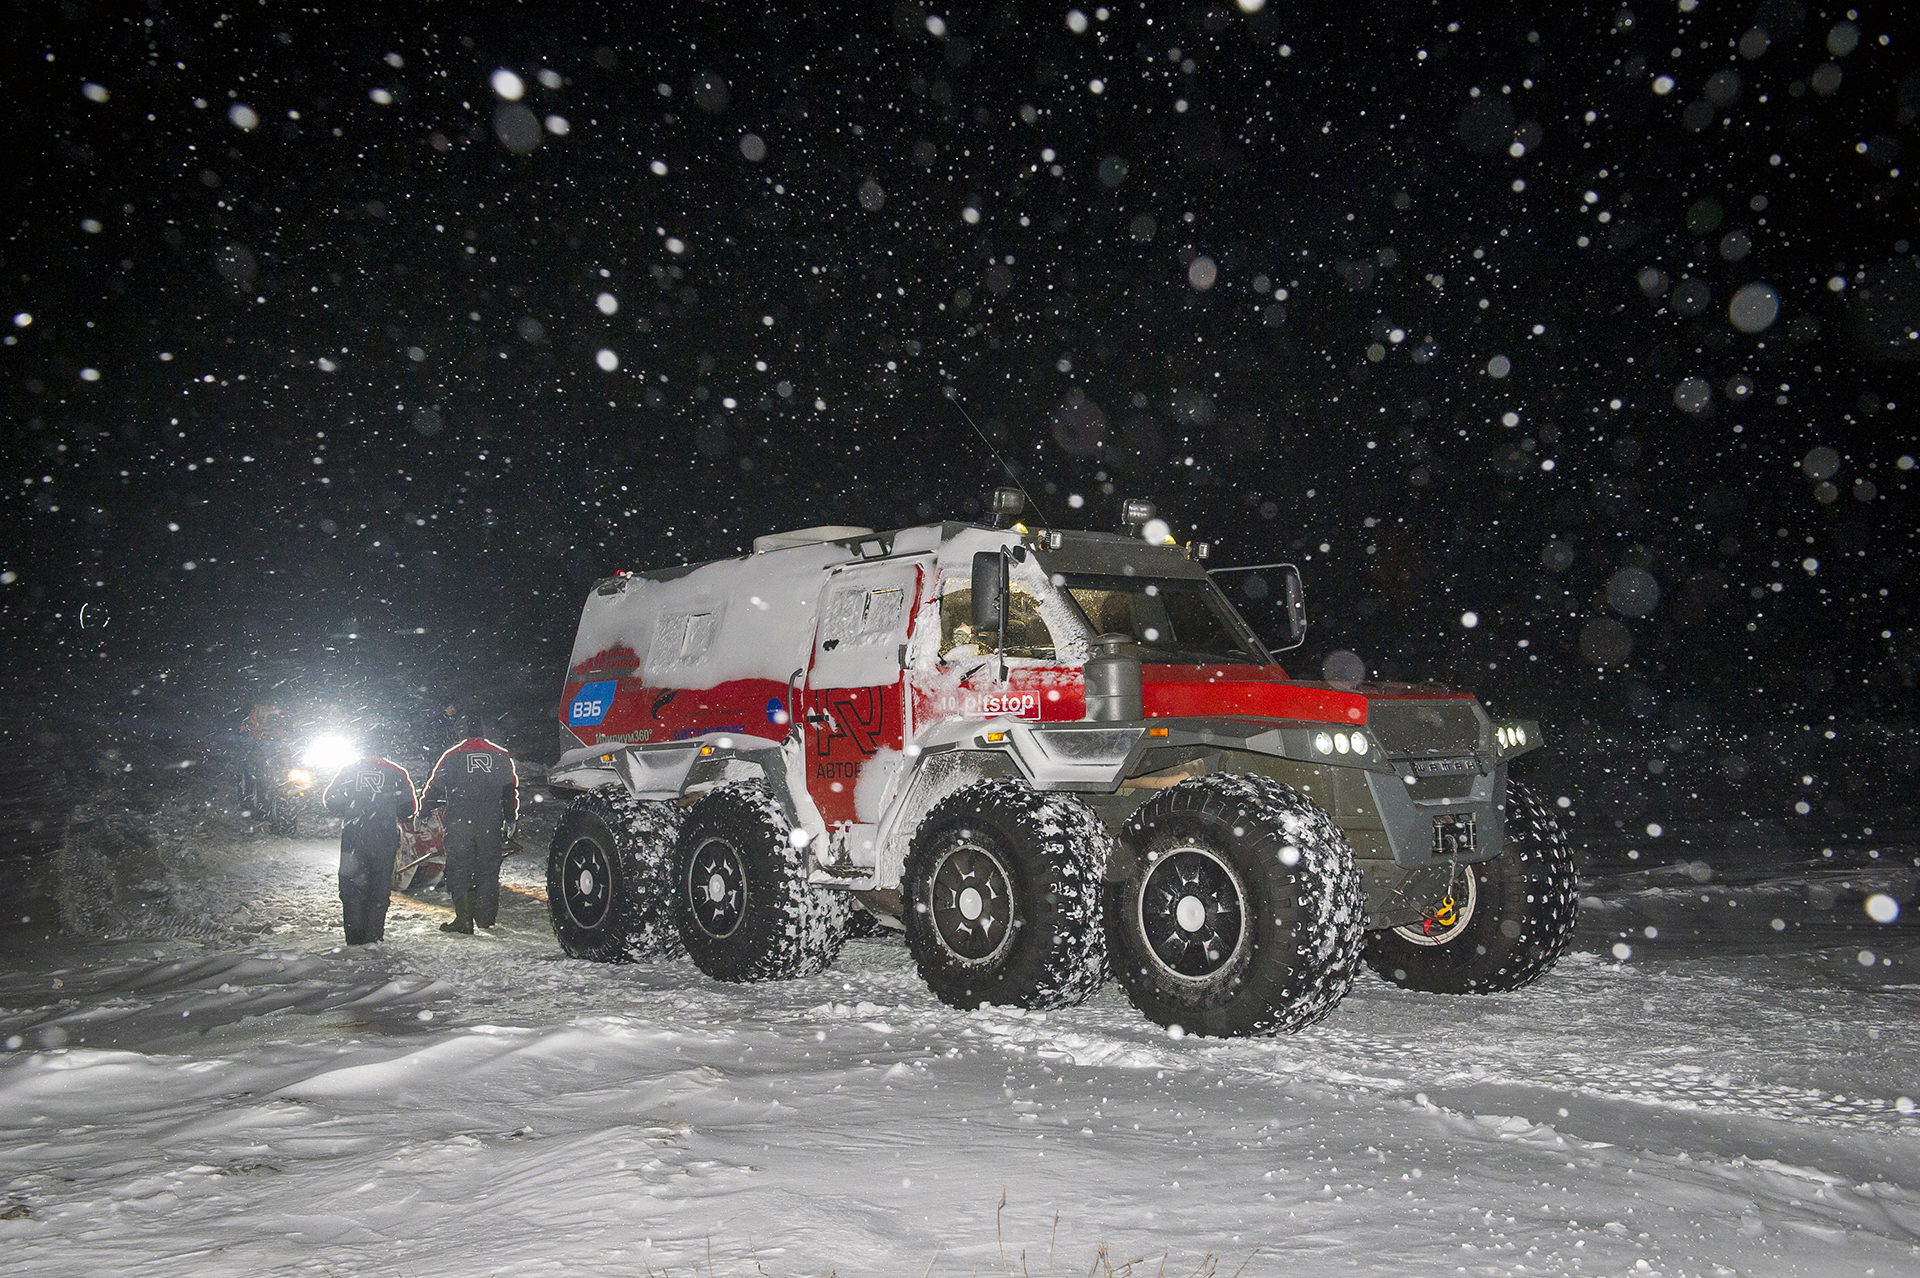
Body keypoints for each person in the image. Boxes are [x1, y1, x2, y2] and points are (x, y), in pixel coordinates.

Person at [420, 724, 519, 935]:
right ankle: (485, 918)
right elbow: (509, 789)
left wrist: (423, 813)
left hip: (459, 821)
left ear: (461, 732)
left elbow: (434, 787)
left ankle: (464, 920)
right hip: (490, 821)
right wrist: (510, 818)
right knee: (488, 868)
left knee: (459, 867)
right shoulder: (501, 755)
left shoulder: (451, 755)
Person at [321, 754, 417, 945]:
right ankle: (373, 935)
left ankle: (354, 935)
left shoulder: (349, 770)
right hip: (384, 836)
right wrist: (387, 810)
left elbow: (330, 800)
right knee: (379, 886)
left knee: (351, 886)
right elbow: (409, 808)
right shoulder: (397, 772)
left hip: (354, 835)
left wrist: (351, 812)